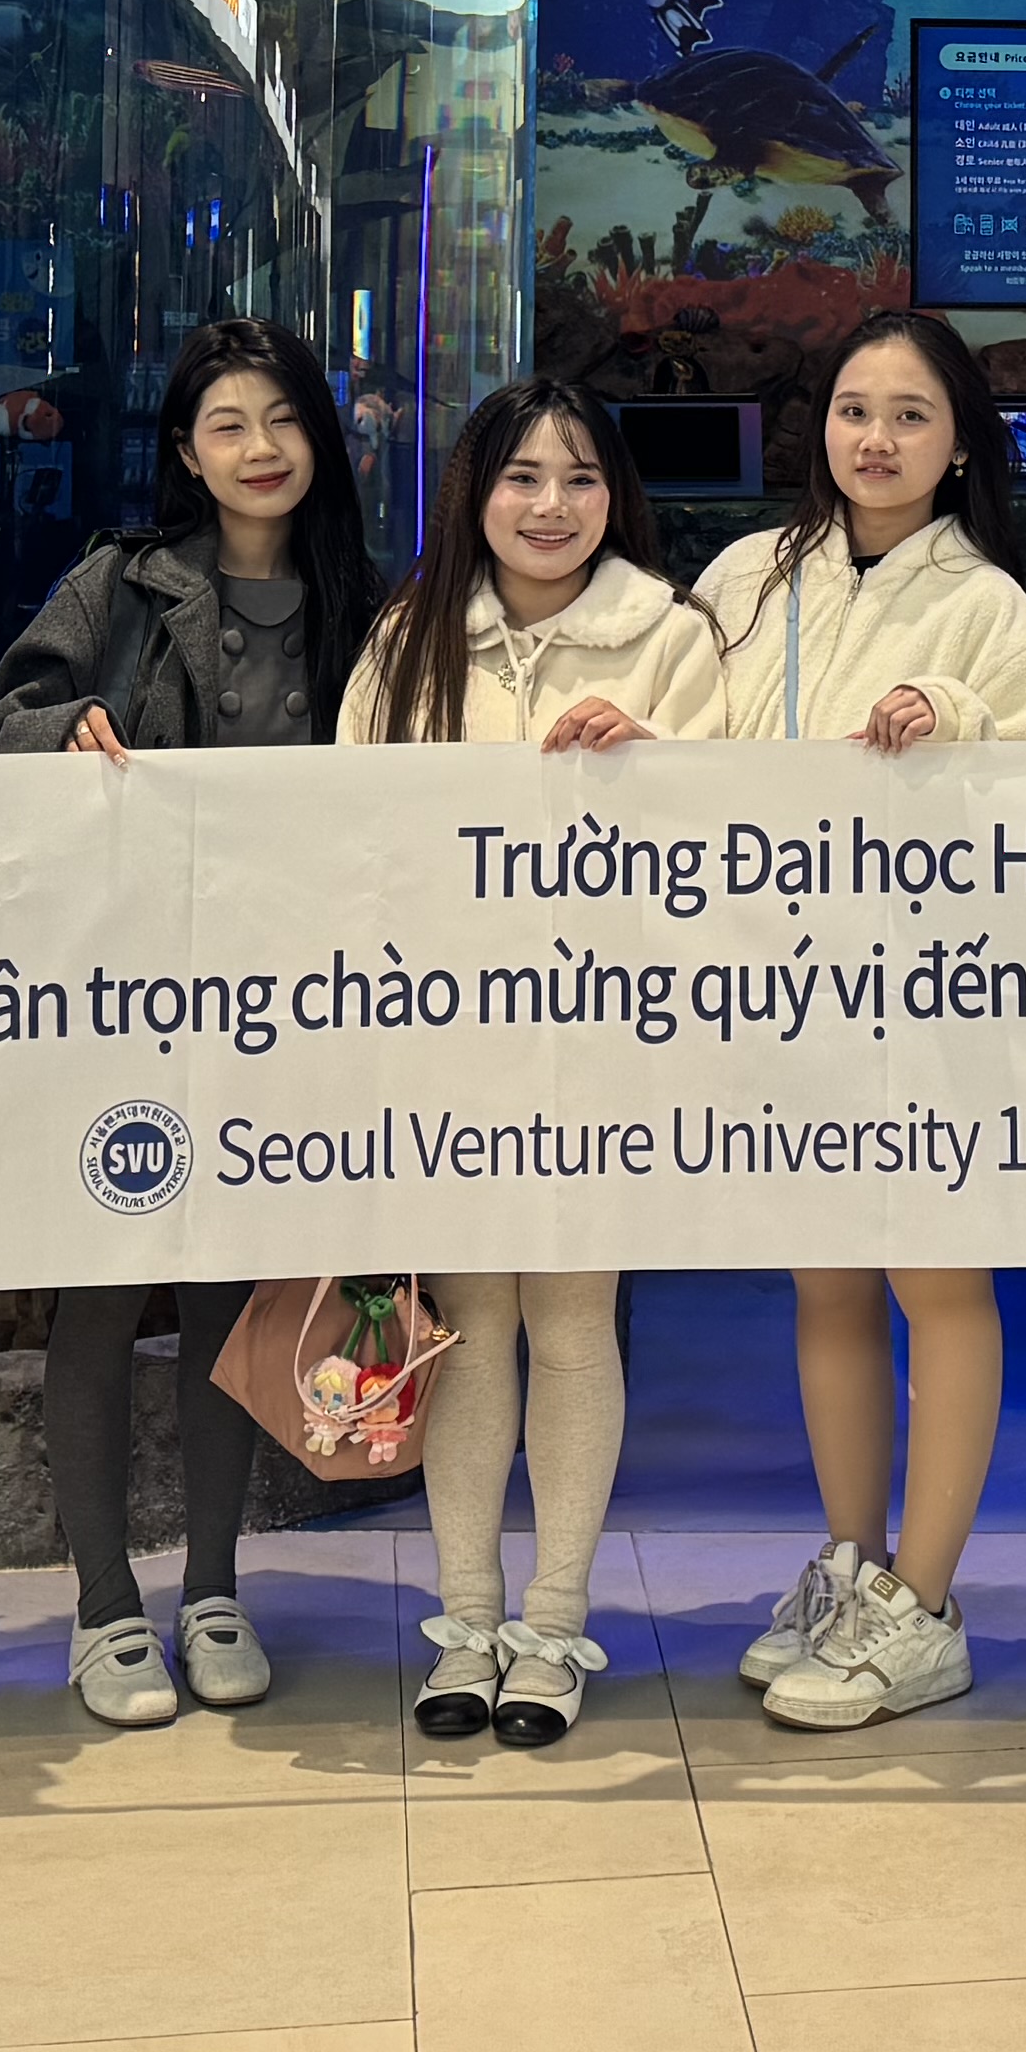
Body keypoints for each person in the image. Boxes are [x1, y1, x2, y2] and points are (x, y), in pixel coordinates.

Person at [0, 319, 378, 1726]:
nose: (261, 449)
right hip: (122, 995)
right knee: (97, 1289)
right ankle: (100, 1607)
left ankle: (211, 1587)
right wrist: (67, 726)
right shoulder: (121, 585)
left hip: (288, 1008)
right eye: (227, 425)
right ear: (187, 454)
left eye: (284, 419)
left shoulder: (369, 605)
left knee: (225, 1297)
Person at [339, 372, 734, 1753]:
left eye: (579, 476)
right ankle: (467, 1622)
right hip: (447, 1036)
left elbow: (745, 832)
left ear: (616, 494)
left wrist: (654, 760)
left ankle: (554, 1626)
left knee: (572, 1322)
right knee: (470, 1320)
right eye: (522, 476)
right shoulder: (408, 639)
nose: (551, 504)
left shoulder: (673, 637)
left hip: (604, 1039)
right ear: (476, 491)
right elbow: (347, 832)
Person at [690, 308, 1026, 1733]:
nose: (878, 439)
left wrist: (953, 711)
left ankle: (925, 1600)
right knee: (828, 1283)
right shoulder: (744, 579)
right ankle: (850, 1568)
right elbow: (688, 745)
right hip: (779, 997)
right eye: (856, 409)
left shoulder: (987, 605)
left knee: (936, 1282)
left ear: (960, 444)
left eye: (912, 415)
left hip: (930, 1000)